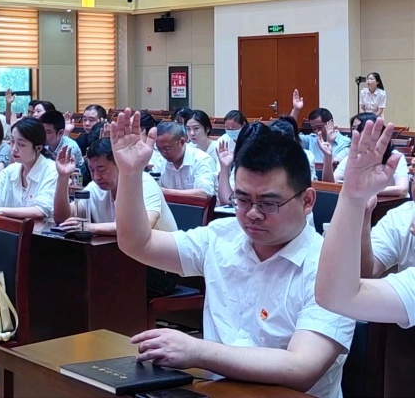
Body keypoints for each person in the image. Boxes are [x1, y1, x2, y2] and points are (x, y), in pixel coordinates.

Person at [111, 109, 354, 398]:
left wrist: (198, 350)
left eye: (268, 203)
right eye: (242, 199)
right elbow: (137, 243)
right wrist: (130, 174)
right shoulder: (222, 236)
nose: (252, 214)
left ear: (307, 201)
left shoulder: (331, 267)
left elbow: (301, 368)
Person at [316, 117, 411, 327]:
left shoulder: (395, 158)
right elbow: (338, 295)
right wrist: (355, 199)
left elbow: (402, 188)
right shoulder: (401, 218)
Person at [52, 140, 179, 297]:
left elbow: (142, 227)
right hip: (123, 260)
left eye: (101, 169)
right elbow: (62, 218)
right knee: (73, 275)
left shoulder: (144, 182)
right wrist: (63, 177)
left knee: (97, 282)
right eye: (91, 170)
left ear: (120, 164)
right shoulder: (95, 187)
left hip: (160, 268)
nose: (96, 177)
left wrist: (89, 227)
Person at [0, 119, 58, 220]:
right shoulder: (11, 170)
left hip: (40, 229)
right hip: (10, 228)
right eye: (12, 141)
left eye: (21, 144)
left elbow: (40, 211)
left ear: (38, 148)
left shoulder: (52, 170)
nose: (14, 149)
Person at [324, 113, 410, 197]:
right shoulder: (352, 156)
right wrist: (328, 158)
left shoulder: (395, 156)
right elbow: (330, 185)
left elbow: (402, 189)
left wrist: (364, 191)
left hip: (391, 204)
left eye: (360, 128)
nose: (355, 132)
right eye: (353, 128)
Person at [155, 121, 217, 199]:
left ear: (182, 142)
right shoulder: (160, 162)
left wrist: (165, 192)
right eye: (159, 149)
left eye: (167, 148)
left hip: (196, 206)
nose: (163, 153)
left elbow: (205, 193)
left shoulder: (202, 159)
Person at [289, 90, 351, 167]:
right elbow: (288, 136)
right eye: (314, 128)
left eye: (319, 127)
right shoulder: (311, 139)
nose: (317, 132)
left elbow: (333, 166)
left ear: (330, 123)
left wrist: (329, 141)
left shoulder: (345, 143)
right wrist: (296, 110)